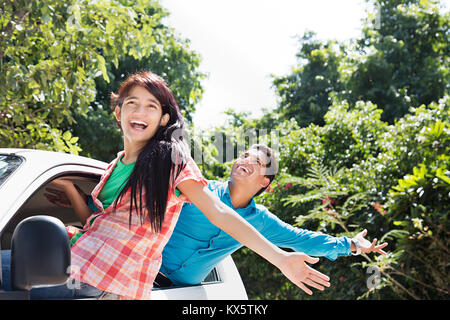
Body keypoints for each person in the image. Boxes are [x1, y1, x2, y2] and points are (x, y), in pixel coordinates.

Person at [2, 71, 330, 300]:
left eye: (151, 105)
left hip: (105, 281)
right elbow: (101, 225)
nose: (139, 111)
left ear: (162, 119)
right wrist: (72, 191)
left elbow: (219, 213)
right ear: (118, 112)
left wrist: (281, 259)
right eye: (131, 103)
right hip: (79, 262)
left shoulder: (170, 160)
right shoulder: (115, 166)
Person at [158, 144, 388, 287]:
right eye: (244, 155)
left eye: (255, 161)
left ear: (265, 181)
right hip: (147, 274)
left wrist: (353, 245)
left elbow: (303, 239)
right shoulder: (200, 190)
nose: (244, 160)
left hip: (187, 292)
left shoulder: (261, 221)